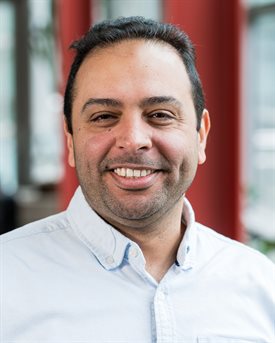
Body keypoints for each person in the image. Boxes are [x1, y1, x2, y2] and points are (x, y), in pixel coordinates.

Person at [1, 16, 274, 342]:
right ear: (71, 141)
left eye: (160, 115)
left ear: (200, 135)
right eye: (104, 116)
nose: (132, 139)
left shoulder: (261, 285)